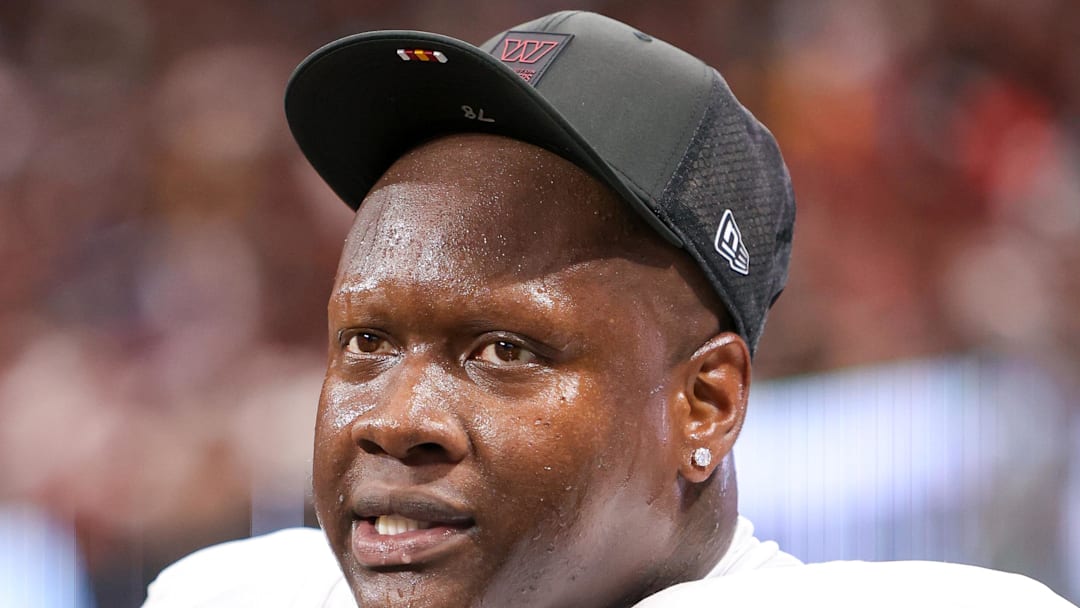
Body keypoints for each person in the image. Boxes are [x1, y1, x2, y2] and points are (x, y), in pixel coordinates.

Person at [143, 11, 1075, 608]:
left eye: (504, 348)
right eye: (367, 341)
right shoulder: (234, 593)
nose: (394, 420)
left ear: (704, 404)